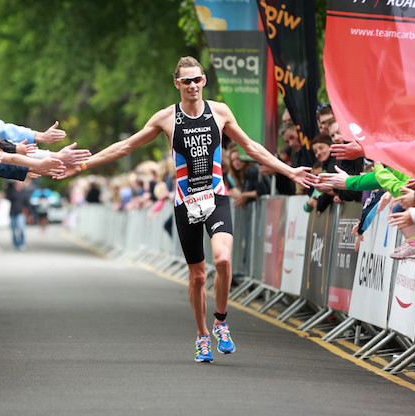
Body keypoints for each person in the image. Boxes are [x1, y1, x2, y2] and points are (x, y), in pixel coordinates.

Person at [59, 56, 315, 362]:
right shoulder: (166, 118)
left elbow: (252, 148)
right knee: (196, 277)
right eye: (186, 81)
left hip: (216, 197)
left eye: (197, 79)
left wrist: (290, 171)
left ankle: (221, 322)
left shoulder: (219, 112)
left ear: (204, 80)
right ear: (176, 83)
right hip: (185, 203)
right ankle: (202, 335)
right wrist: (84, 165)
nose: (192, 86)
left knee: (222, 260)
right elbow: (124, 147)